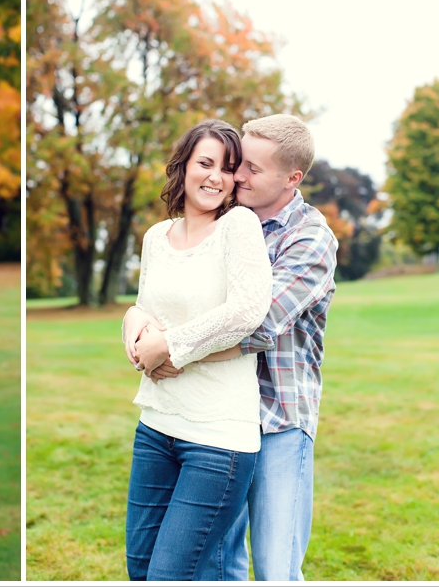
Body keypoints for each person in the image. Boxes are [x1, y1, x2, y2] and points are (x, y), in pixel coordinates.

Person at [142, 114, 339, 581]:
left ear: (293, 178)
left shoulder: (310, 238)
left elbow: (257, 324)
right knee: (217, 565)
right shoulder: (224, 222)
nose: (237, 176)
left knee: (274, 568)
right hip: (220, 418)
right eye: (236, 164)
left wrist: (166, 347)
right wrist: (142, 323)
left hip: (278, 417)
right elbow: (166, 297)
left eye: (251, 168)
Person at [120, 119, 273, 581]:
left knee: (171, 574)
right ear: (183, 166)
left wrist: (170, 345)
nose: (215, 177)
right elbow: (145, 307)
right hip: (155, 424)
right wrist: (133, 329)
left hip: (218, 439)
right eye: (205, 163)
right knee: (141, 568)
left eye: (228, 169)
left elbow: (248, 311)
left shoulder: (239, 226)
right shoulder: (154, 237)